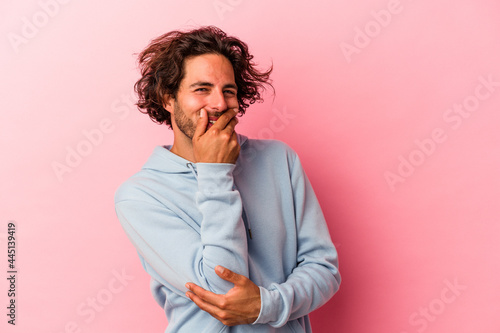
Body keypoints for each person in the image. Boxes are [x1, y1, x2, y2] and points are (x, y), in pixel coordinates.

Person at [114, 26, 341, 332]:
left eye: (229, 90)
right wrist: (215, 172)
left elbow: (323, 269)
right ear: (168, 99)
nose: (219, 104)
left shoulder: (279, 160)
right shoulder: (140, 196)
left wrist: (266, 304)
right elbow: (222, 291)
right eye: (201, 89)